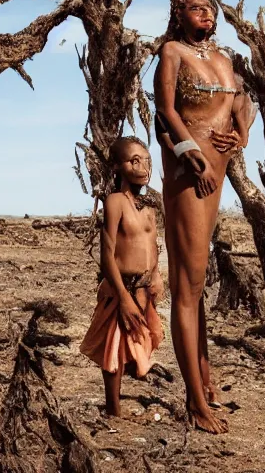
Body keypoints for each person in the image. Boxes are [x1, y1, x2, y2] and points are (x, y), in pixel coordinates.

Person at [153, 0, 253, 434]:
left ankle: (206, 383)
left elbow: (244, 101)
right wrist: (188, 152)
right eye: (196, 9)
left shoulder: (225, 60)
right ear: (180, 14)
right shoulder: (172, 52)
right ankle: (195, 402)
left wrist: (243, 133)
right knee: (187, 287)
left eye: (210, 9)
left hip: (219, 168)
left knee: (197, 280)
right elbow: (167, 111)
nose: (206, 15)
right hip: (190, 171)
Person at [79, 136, 165, 419]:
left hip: (142, 288)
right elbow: (108, 255)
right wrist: (124, 298)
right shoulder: (115, 202)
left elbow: (153, 244)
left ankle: (120, 397)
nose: (143, 166)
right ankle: (113, 408)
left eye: (146, 160)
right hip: (121, 289)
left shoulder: (150, 205)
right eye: (134, 161)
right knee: (113, 346)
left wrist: (156, 275)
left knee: (136, 340)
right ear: (117, 167)